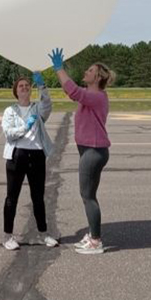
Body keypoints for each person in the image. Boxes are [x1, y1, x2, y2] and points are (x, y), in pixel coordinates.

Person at [49, 48, 115, 255]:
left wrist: (59, 68)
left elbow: (73, 91)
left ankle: (96, 241)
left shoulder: (97, 97)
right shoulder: (93, 96)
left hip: (93, 152)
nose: (85, 72)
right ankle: (93, 234)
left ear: (97, 77)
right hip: (92, 151)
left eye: (90, 70)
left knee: (87, 196)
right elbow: (73, 92)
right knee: (90, 195)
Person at [0, 72, 58, 250]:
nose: (24, 88)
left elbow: (47, 104)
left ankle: (43, 234)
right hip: (17, 155)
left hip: (37, 155)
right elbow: (9, 132)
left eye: (27, 85)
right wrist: (26, 126)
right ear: (16, 91)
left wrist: (42, 86)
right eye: (21, 86)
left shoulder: (37, 108)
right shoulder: (10, 111)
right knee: (12, 197)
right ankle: (8, 236)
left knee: (38, 197)